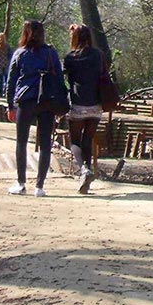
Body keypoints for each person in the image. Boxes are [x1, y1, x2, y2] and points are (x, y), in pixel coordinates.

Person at [6, 20, 64, 197]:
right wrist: (60, 102)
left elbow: (11, 81)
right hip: (46, 101)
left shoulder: (20, 53)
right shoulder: (50, 53)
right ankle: (39, 186)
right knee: (45, 143)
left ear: (25, 33)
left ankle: (21, 183)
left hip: (26, 100)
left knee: (21, 142)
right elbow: (59, 78)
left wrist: (10, 105)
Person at [63, 24, 106, 194]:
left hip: (78, 103)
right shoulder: (98, 55)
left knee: (74, 140)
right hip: (96, 104)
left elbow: (64, 77)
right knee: (87, 139)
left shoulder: (70, 57)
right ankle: (86, 180)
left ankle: (84, 170)